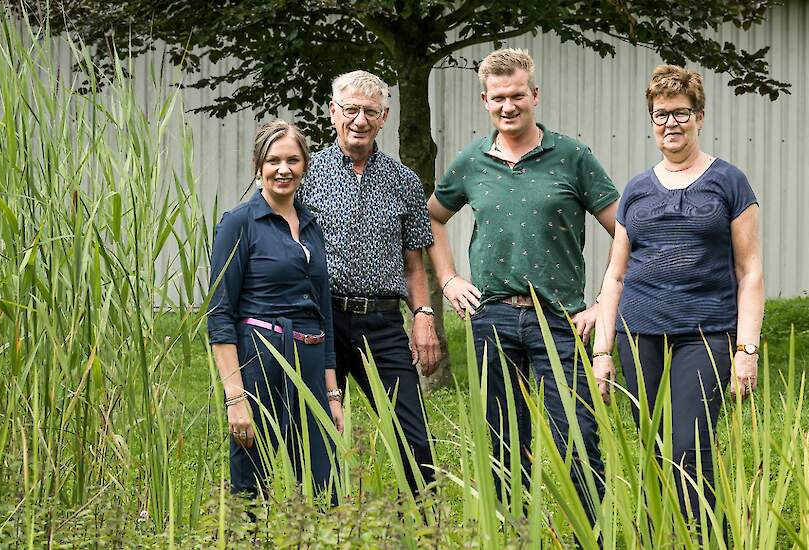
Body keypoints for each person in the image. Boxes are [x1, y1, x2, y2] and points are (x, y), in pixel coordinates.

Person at [426, 48, 619, 522]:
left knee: (576, 437)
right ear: (484, 101)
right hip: (491, 317)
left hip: (560, 318)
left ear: (534, 95)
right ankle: (514, 533)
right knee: (503, 441)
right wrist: (448, 278)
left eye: (516, 95)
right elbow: (431, 218)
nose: (507, 106)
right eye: (497, 98)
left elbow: (625, 231)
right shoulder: (472, 161)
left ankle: (588, 534)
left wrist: (601, 303)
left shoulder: (572, 157)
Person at [593, 65, 765, 527]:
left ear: (700, 117)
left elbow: (749, 272)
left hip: (705, 332)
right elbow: (615, 275)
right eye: (660, 115)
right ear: (651, 121)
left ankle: (708, 534)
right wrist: (602, 351)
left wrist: (746, 350)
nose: (671, 123)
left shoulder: (729, 182)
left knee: (690, 442)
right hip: (637, 333)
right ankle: (657, 532)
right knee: (651, 443)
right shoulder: (636, 189)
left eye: (681, 113)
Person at [298, 70, 438, 494]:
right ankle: (326, 525)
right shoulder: (305, 174)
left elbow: (414, 262)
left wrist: (424, 315)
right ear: (332, 112)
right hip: (320, 322)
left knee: (413, 437)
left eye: (370, 112)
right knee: (321, 434)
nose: (359, 120)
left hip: (381, 323)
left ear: (384, 117)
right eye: (351, 109)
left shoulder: (404, 181)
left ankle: (420, 527)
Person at [208, 120, 344, 501]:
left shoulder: (313, 224)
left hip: (311, 359)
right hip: (260, 358)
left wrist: (332, 396)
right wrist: (235, 398)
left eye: (292, 160)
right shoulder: (238, 223)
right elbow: (219, 314)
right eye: (273, 160)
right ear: (259, 165)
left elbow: (325, 315)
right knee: (253, 481)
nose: (283, 169)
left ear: (304, 166)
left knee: (324, 482)